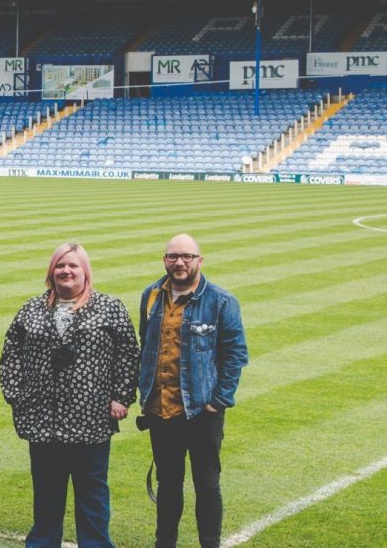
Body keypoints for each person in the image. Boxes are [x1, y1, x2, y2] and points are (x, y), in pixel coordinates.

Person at [0, 243, 139, 548]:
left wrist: (121, 396)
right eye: (60, 265)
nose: (66, 271)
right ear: (52, 271)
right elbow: (11, 352)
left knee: (92, 493)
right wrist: (16, 394)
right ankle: (43, 543)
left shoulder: (108, 307)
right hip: (43, 419)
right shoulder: (32, 308)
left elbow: (128, 353)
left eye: (73, 266)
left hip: (90, 419)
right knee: (47, 491)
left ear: (85, 271)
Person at [137, 235, 248, 548]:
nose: (179, 263)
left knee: (207, 485)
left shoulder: (221, 301)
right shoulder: (151, 296)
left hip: (201, 412)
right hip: (161, 410)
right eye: (173, 256)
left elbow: (235, 354)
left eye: (187, 256)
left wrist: (218, 401)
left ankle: (209, 544)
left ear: (200, 260)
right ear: (165, 260)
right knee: (168, 484)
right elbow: (146, 347)